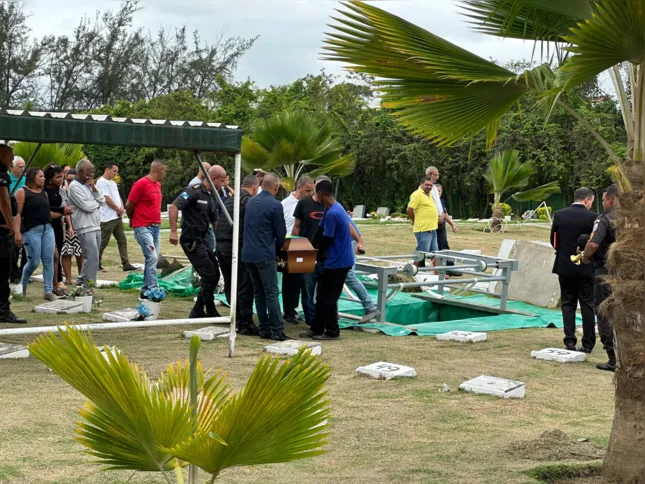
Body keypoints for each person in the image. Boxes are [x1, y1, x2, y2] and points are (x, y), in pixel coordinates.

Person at [169, 165, 227, 319]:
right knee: (208, 274)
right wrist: (173, 231)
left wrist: (219, 241)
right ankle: (209, 309)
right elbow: (174, 207)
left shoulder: (214, 195)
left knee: (214, 272)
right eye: (221, 181)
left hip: (203, 238)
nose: (224, 184)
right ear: (213, 178)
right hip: (191, 239)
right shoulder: (193, 191)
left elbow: (214, 221)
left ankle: (198, 310)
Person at [300, 179, 354, 341]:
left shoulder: (333, 213)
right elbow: (320, 231)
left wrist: (313, 256)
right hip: (332, 261)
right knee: (322, 296)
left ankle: (332, 331)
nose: (315, 196)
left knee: (327, 299)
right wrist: (310, 247)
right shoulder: (330, 209)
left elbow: (327, 239)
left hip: (338, 262)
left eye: (316, 193)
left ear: (322, 194)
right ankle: (317, 328)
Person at [550, 187, 597, 352]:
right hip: (586, 267)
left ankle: (569, 340)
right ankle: (588, 343)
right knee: (587, 305)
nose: (591, 205)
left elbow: (553, 240)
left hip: (564, 266)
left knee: (568, 303)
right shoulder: (593, 217)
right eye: (591, 201)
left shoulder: (560, 214)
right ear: (586, 200)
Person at [242, 172, 287, 341]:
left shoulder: (251, 202)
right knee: (271, 292)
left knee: (259, 292)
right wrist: (277, 251)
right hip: (265, 254)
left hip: (248, 254)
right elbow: (280, 234)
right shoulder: (275, 205)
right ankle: (277, 329)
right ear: (276, 187)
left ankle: (265, 328)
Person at [215, 175, 261, 335]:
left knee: (230, 283)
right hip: (235, 246)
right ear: (255, 188)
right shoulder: (247, 201)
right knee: (245, 283)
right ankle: (245, 323)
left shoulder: (231, 199)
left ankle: (236, 317)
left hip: (220, 245)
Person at [582, 184, 619, 372]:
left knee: (604, 312)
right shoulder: (634, 218)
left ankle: (613, 358)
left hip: (605, 273)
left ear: (611, 200)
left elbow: (594, 244)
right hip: (630, 276)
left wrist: (585, 256)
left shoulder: (604, 219)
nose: (603, 203)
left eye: (604, 200)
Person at [13, 168, 57, 301]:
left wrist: (62, 212)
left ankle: (48, 291)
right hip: (32, 231)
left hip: (48, 229)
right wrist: (17, 233)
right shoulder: (22, 192)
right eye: (41, 176)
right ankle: (23, 286)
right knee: (34, 261)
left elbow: (47, 212)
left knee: (48, 260)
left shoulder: (44, 193)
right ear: (32, 177)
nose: (44, 179)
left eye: (44, 177)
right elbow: (17, 213)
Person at [126, 160, 166, 299]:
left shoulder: (158, 185)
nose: (165, 174)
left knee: (151, 259)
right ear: (159, 170)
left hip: (156, 226)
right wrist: (133, 219)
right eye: (164, 171)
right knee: (152, 256)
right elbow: (129, 204)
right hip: (143, 226)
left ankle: (145, 289)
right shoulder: (141, 184)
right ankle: (153, 288)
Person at [292, 175, 328, 327]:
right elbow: (297, 227)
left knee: (325, 291)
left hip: (326, 254)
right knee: (307, 290)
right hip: (305, 252)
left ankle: (325, 320)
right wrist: (293, 249)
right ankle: (311, 323)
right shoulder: (303, 204)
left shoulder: (330, 205)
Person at [282, 175, 314, 324]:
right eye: (307, 190)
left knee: (305, 280)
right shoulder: (285, 204)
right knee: (290, 280)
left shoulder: (311, 203)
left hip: (305, 246)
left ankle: (306, 310)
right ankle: (289, 310)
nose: (310, 193)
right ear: (298, 187)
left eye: (312, 190)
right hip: (289, 246)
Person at [68, 159, 106, 288]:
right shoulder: (74, 186)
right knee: (92, 257)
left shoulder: (89, 184)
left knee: (92, 256)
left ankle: (82, 280)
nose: (92, 174)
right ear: (80, 172)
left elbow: (102, 200)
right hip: (84, 226)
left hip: (95, 224)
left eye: (93, 171)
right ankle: (89, 285)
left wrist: (94, 188)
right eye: (89, 172)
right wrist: (97, 203)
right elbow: (87, 206)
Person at [0, 144, 27, 324]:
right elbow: (3, 199)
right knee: (3, 271)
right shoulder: (2, 174)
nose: (11, 162)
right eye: (10, 158)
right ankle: (3, 309)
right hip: (2, 230)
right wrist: (10, 223)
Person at [96, 161, 137, 272]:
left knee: (122, 240)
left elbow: (117, 197)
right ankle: (96, 263)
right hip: (107, 217)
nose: (115, 174)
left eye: (117, 172)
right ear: (107, 169)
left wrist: (121, 206)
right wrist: (117, 208)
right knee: (103, 242)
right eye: (114, 171)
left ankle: (126, 263)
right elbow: (107, 199)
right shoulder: (101, 182)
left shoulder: (113, 183)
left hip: (117, 217)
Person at [44, 164, 73, 297]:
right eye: (57, 177)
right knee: (53, 255)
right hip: (46, 224)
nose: (61, 179)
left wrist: (69, 225)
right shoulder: (43, 191)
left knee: (57, 255)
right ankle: (53, 284)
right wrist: (62, 211)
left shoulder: (61, 191)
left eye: (62, 177)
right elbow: (47, 210)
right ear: (49, 178)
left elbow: (65, 208)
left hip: (58, 225)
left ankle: (56, 282)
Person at [407, 176, 439, 267]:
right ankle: (412, 268)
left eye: (431, 185)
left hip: (432, 228)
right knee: (422, 251)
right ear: (421, 184)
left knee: (435, 252)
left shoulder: (430, 194)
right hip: (423, 229)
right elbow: (409, 210)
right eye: (426, 185)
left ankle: (437, 271)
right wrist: (415, 220)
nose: (429, 187)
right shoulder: (417, 194)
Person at [60, 169, 83, 285]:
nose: (70, 182)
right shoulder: (63, 191)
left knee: (80, 253)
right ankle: (68, 279)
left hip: (81, 225)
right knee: (66, 252)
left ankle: (81, 277)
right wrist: (69, 226)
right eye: (68, 180)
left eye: (73, 180)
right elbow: (64, 209)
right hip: (67, 225)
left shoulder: (82, 190)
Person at [9, 156, 26, 283]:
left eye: (23, 166)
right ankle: (14, 275)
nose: (22, 169)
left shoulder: (25, 180)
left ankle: (23, 272)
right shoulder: (7, 180)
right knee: (14, 247)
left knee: (26, 248)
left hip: (25, 217)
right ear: (13, 167)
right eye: (20, 167)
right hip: (11, 217)